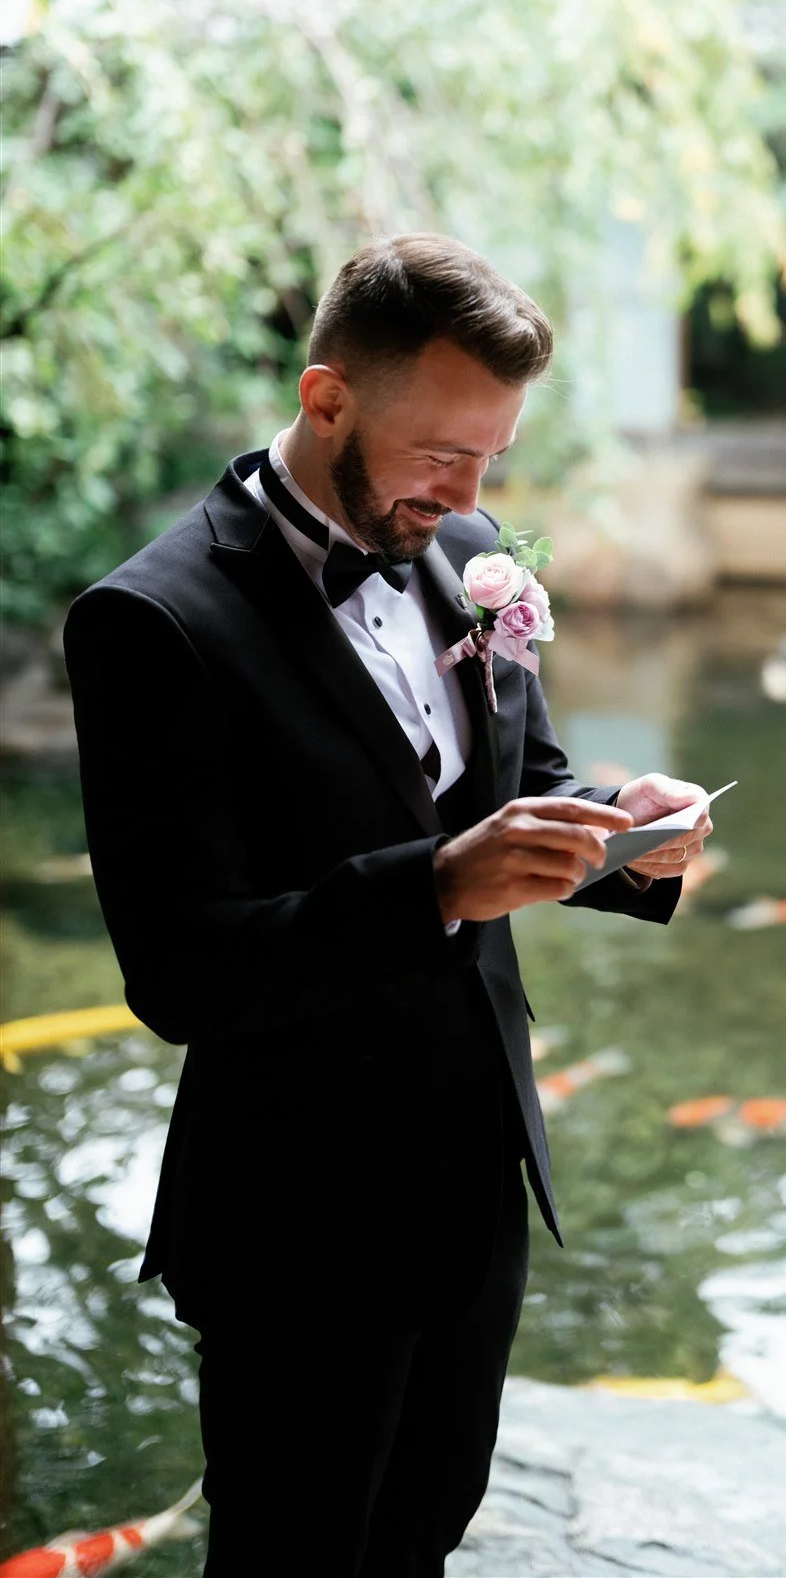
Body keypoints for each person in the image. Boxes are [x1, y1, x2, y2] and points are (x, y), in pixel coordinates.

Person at [63, 234, 714, 1578]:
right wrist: (433, 888)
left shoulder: (466, 552)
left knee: (424, 1537)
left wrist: (619, 836)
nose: (470, 494)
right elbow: (182, 976)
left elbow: (515, 791)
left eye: (492, 456)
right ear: (326, 398)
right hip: (296, 1213)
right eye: (441, 452)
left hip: (475, 1180)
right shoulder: (153, 621)